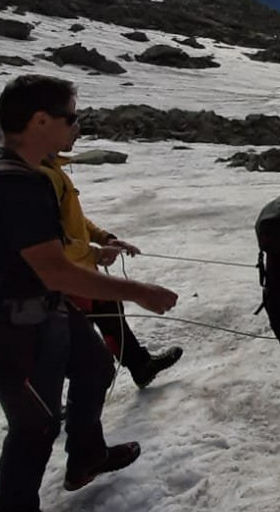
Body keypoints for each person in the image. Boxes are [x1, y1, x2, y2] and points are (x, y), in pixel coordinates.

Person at [0, 75, 178, 512]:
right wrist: (139, 291)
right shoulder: (16, 185)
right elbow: (56, 271)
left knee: (96, 366)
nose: (78, 126)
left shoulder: (5, 165)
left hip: (39, 310)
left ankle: (87, 455)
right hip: (9, 324)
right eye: (72, 116)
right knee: (35, 423)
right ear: (40, 121)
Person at [40, 139, 184, 388]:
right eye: (71, 120)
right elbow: (52, 238)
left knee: (108, 310)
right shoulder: (41, 176)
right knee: (75, 346)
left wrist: (105, 238)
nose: (76, 130)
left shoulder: (54, 168)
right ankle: (48, 403)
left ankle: (140, 365)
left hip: (81, 269)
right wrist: (95, 254)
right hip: (69, 276)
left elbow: (75, 219)